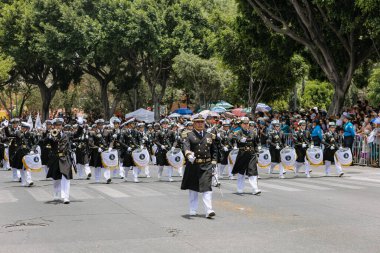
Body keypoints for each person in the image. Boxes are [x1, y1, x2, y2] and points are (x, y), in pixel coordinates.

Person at [181, 114, 217, 218]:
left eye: (202, 122)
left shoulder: (210, 135)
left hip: (206, 164)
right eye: (198, 122)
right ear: (194, 124)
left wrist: (214, 162)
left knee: (207, 187)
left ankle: (209, 210)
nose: (200, 124)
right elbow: (185, 146)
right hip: (194, 164)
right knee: (193, 188)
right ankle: (193, 209)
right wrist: (188, 155)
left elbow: (214, 150)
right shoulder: (188, 135)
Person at [46, 118, 82, 203]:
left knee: (66, 177)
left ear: (62, 126)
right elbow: (42, 142)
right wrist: (49, 137)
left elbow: (77, 134)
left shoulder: (67, 134)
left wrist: (80, 126)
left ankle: (66, 197)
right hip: (55, 159)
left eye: (60, 125)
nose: (58, 127)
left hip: (65, 159)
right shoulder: (51, 134)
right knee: (56, 179)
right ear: (54, 126)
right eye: (57, 125)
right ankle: (56, 194)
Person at [232, 117, 261, 195]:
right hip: (242, 154)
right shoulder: (238, 132)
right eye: (244, 123)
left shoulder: (253, 132)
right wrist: (240, 140)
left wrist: (257, 152)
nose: (246, 125)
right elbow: (236, 139)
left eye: (247, 123)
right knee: (241, 172)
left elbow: (257, 143)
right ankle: (240, 188)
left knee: (253, 171)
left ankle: (255, 189)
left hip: (251, 154)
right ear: (241, 124)